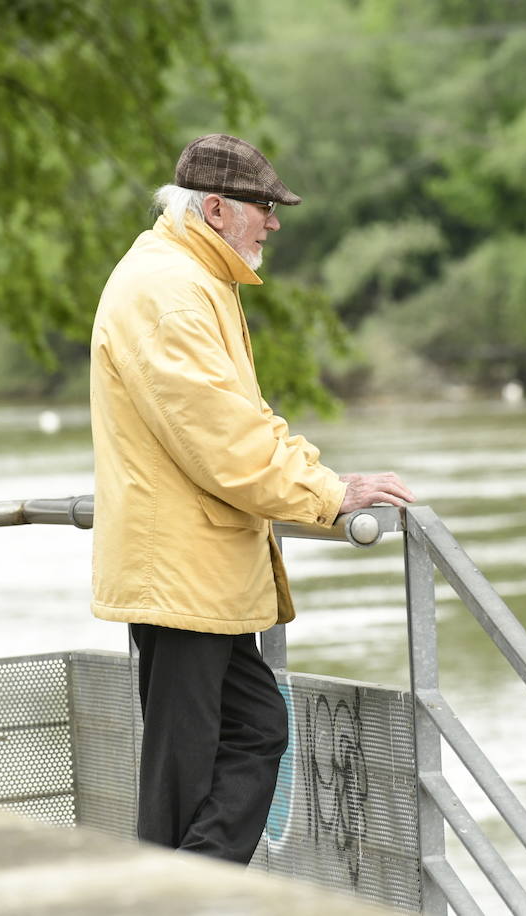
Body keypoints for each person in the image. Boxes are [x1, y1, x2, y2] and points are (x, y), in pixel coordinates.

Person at [88, 133, 414, 864]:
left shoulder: (192, 278)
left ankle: (195, 894)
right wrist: (329, 493)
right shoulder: (172, 292)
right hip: (182, 572)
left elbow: (243, 418)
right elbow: (224, 440)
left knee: (254, 729)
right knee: (185, 775)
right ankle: (183, 902)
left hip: (195, 570)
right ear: (215, 209)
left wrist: (330, 480)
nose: (273, 222)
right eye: (263, 208)